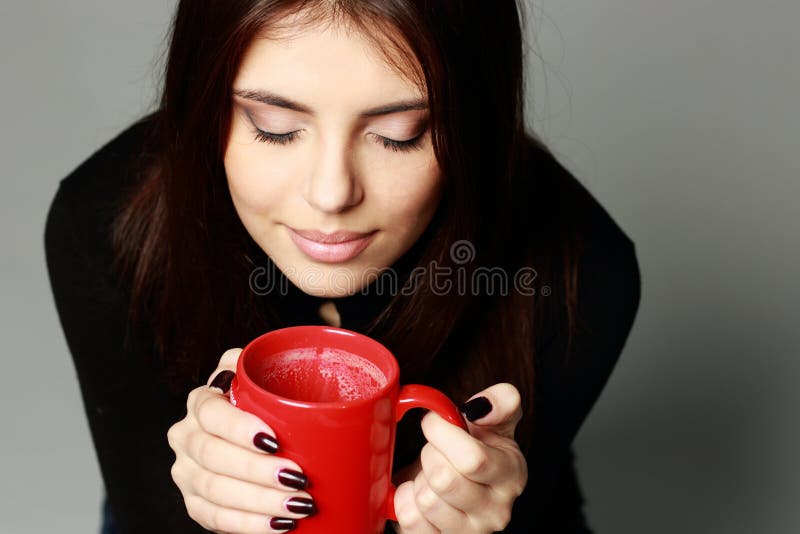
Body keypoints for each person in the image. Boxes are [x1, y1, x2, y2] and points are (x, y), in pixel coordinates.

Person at [44, 1, 641, 533]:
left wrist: (469, 511)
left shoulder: (579, 269)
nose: (331, 194)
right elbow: (145, 506)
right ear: (202, 104)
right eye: (274, 128)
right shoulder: (106, 223)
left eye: (397, 135)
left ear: (473, 129)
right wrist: (197, 506)